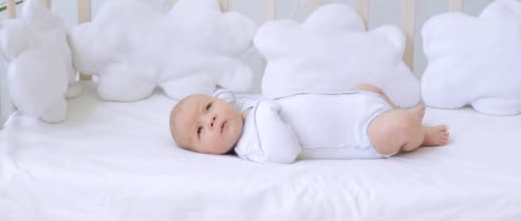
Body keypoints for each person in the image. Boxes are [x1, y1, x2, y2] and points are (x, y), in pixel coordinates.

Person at [169, 84, 449, 164]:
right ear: (203, 153)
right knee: (398, 126)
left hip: (353, 103)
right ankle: (418, 133)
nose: (211, 118)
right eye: (200, 130)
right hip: (362, 135)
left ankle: (397, 111)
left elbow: (225, 97)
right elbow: (285, 151)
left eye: (207, 108)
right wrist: (265, 111)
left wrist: (221, 102)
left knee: (371, 88)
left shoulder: (240, 109)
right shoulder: (250, 146)